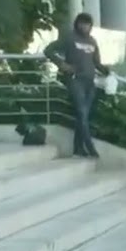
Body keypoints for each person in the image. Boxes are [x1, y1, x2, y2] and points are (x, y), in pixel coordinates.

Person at [44, 12, 111, 158]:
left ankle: (78, 148)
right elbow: (48, 50)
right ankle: (90, 147)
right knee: (81, 112)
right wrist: (62, 64)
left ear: (91, 26)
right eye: (82, 23)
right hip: (75, 80)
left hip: (90, 82)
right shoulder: (69, 38)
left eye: (87, 24)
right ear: (77, 24)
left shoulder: (93, 41)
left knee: (84, 116)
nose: (84, 26)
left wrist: (106, 70)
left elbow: (96, 62)